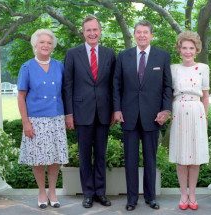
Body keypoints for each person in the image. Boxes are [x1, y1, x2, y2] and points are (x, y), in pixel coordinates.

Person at [113, 20, 173, 211]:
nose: (142, 35)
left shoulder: (162, 56)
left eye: (145, 32)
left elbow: (167, 87)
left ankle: (150, 197)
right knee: (130, 160)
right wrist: (117, 109)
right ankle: (131, 199)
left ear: (151, 35)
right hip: (128, 116)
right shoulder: (123, 56)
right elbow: (116, 85)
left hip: (153, 117)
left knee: (150, 159)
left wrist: (166, 110)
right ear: (134, 34)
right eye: (138, 32)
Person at [63, 15, 116, 208]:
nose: (92, 33)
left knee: (101, 154)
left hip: (103, 112)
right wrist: (68, 114)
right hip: (80, 112)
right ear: (83, 32)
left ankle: (100, 192)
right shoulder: (72, 53)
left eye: (95, 30)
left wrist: (114, 110)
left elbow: (113, 85)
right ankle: (87, 193)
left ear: (100, 31)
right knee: (84, 155)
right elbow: (67, 85)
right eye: (88, 30)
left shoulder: (109, 53)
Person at [17, 29, 68, 209]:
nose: (45, 45)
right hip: (36, 120)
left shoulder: (60, 66)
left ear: (52, 46)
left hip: (56, 118)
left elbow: (65, 93)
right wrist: (25, 122)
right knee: (38, 159)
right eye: (42, 42)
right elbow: (21, 96)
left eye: (49, 43)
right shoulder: (27, 67)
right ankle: (41, 191)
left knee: (55, 158)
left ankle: (52, 191)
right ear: (35, 45)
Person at [169, 31, 210, 211]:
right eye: (184, 48)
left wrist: (205, 118)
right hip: (179, 111)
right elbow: (169, 95)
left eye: (191, 48)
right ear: (179, 49)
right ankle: (183, 194)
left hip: (196, 112)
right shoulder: (173, 69)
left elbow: (206, 96)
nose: (187, 51)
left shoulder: (203, 68)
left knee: (194, 158)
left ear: (196, 49)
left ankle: (192, 194)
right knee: (181, 157)